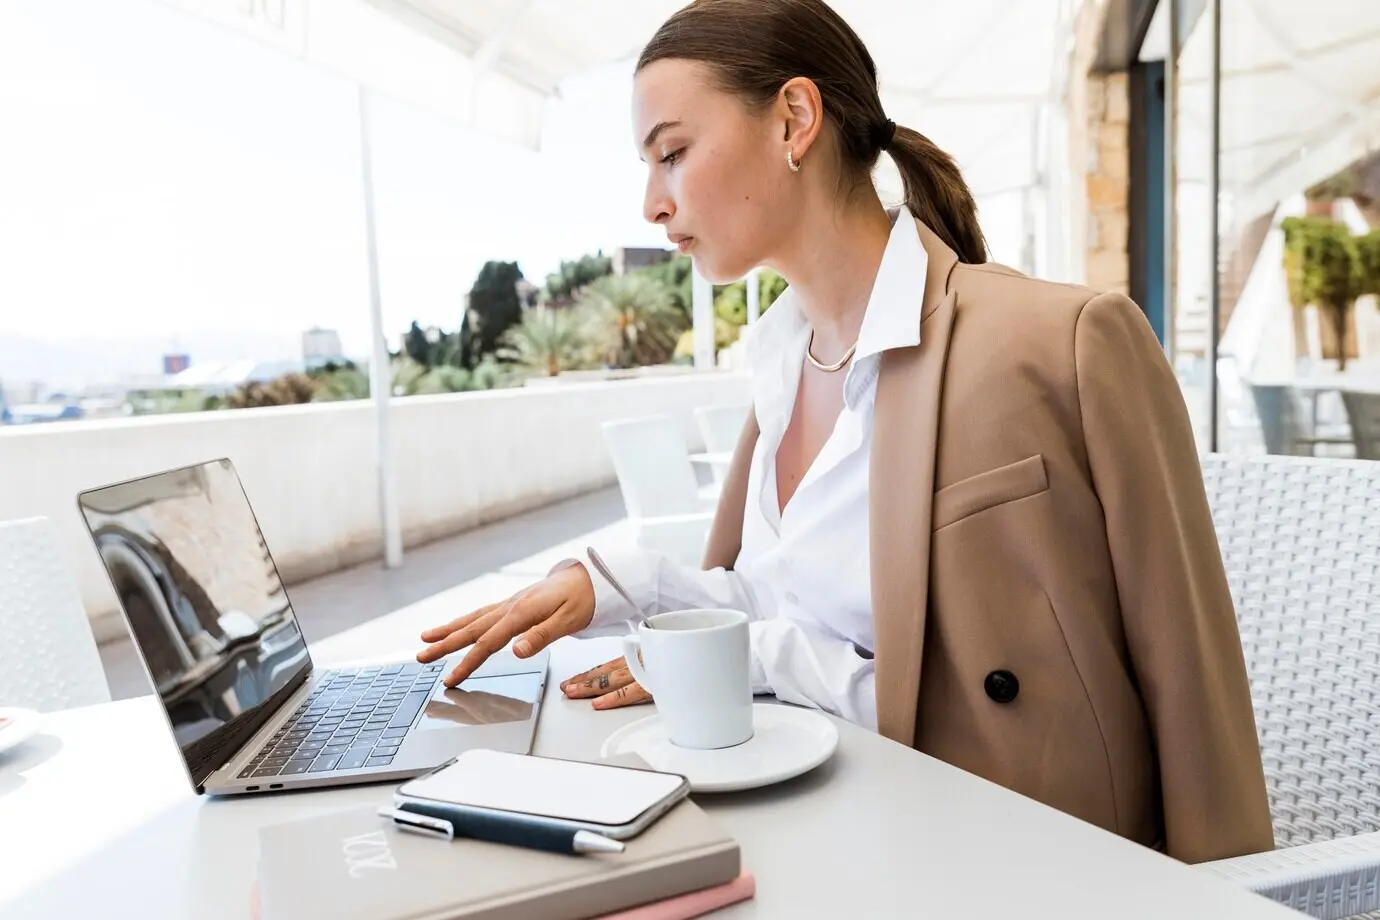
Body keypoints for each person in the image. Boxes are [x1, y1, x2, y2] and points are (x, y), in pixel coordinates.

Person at [418, 0, 1274, 864]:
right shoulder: (782, 368)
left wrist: (1227, 897)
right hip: (818, 837)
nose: (651, 202)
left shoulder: (1063, 343)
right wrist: (615, 586)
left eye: (673, 154)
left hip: (1012, 862)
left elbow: (1195, 688)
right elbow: (786, 605)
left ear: (795, 119)